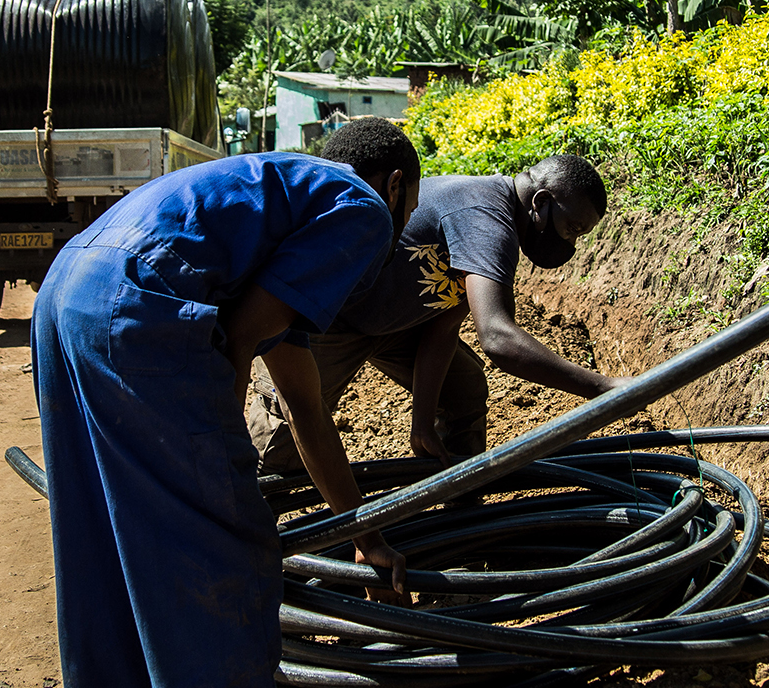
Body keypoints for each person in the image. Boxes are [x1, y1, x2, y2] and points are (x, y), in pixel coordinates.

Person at [31, 119, 420, 688]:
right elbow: (240, 345)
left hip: (67, 293)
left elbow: (306, 412)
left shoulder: (263, 210)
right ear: (400, 188)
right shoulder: (362, 209)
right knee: (219, 565)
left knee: (105, 563)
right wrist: (212, 462)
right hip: (140, 307)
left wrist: (364, 533)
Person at [250, 153, 620, 469]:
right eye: (571, 228)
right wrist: (602, 387)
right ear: (539, 203)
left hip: (393, 323)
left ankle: (457, 501)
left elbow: (441, 330)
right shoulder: (485, 216)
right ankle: (251, 520)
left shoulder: (496, 224)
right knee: (285, 429)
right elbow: (497, 338)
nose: (569, 242)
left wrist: (423, 423)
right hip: (330, 319)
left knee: (464, 387)